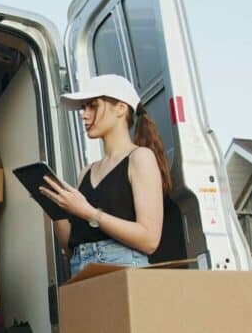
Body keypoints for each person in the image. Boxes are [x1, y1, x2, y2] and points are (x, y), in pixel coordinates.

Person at [40, 74, 171, 277]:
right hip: (80, 268)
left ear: (120, 108)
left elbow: (150, 240)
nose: (84, 115)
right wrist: (55, 209)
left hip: (124, 268)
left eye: (93, 106)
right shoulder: (86, 171)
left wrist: (89, 212)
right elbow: (70, 248)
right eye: (84, 108)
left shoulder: (140, 157)